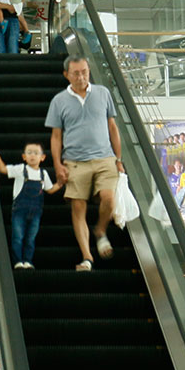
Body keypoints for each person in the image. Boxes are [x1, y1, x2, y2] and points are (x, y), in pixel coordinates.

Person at [44, 55, 124, 271]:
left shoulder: (102, 93)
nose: (81, 77)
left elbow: (112, 127)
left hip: (104, 158)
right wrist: (58, 165)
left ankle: (100, 229)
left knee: (108, 199)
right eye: (76, 73)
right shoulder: (59, 101)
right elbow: (56, 136)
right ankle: (87, 257)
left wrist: (119, 158)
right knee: (77, 207)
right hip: (75, 162)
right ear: (66, 75)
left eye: (84, 72)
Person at [0, 142, 61, 269]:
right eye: (29, 152)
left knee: (31, 238)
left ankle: (28, 261)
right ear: (24, 156)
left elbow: (50, 189)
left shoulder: (44, 174)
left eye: (36, 153)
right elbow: (3, 170)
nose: (32, 155)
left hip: (36, 211)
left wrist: (61, 183)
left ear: (42, 157)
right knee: (18, 236)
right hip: (19, 209)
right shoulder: (20, 169)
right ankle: (18, 261)